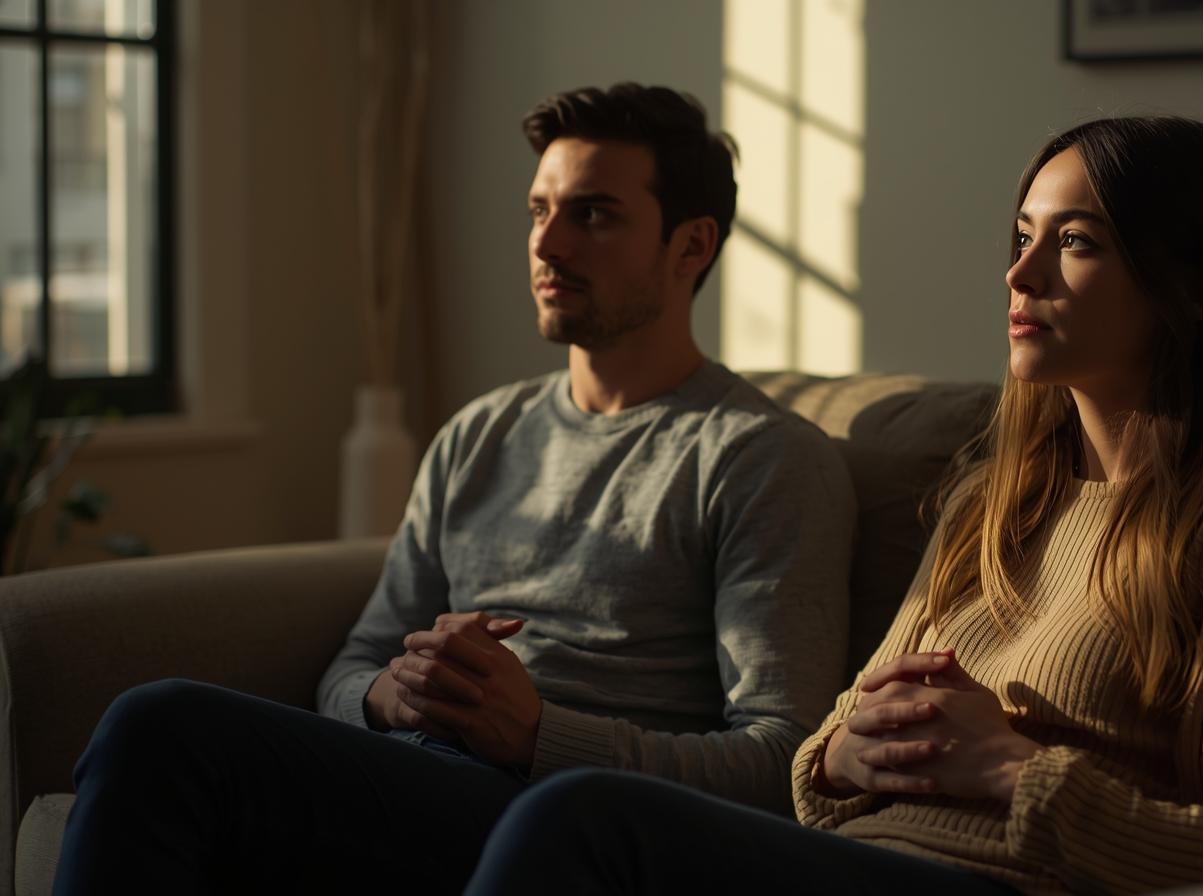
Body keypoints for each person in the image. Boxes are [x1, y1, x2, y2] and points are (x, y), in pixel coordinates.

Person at [457, 116, 1203, 896]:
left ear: (1193, 289)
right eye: (1021, 237)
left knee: (586, 820)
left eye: (1075, 242)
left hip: (1006, 883)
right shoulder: (996, 502)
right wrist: (846, 756)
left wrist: (1013, 765)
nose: (1021, 273)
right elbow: (817, 765)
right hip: (865, 861)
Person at [54, 83, 855, 894]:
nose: (549, 245)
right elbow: (355, 661)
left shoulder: (762, 459)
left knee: (163, 728)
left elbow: (783, 755)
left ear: (690, 247)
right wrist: (389, 697)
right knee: (151, 730)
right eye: (539, 210)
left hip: (556, 815)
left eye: (594, 215)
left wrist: (539, 734)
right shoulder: (478, 434)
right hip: (410, 772)